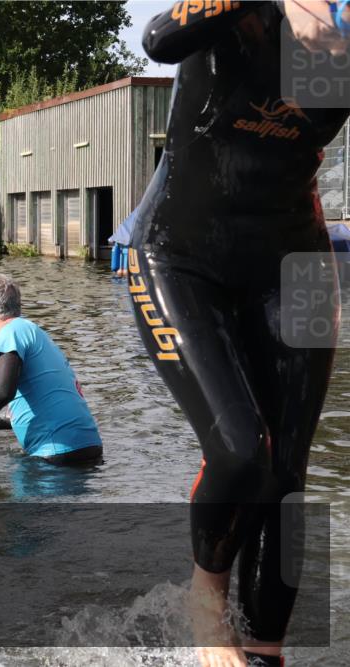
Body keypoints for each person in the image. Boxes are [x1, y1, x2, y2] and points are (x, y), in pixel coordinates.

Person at [133, 3, 349, 667]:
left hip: (295, 266)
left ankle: (265, 655)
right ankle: (207, 602)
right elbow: (160, 39)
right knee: (240, 452)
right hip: (181, 253)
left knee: (284, 477)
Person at [0, 274, 102, 465]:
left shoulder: (8, 333)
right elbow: (44, 404)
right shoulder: (32, 331)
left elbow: (1, 391)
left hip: (56, 456)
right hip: (88, 449)